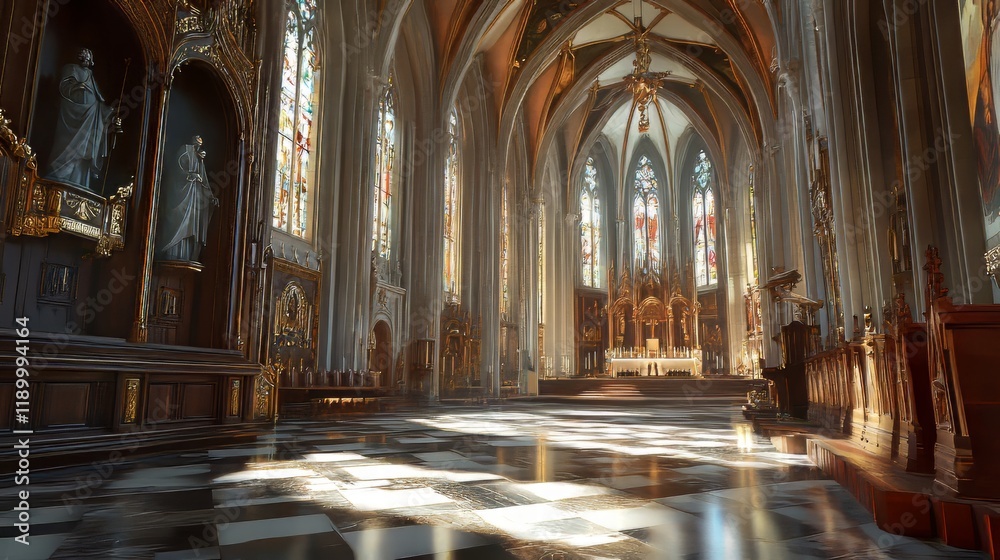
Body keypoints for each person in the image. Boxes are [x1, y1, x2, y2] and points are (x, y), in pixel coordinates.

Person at [47, 48, 116, 190]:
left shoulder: (90, 74)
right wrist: (79, 87)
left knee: (84, 155)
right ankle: (59, 180)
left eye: (88, 57)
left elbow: (98, 102)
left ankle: (80, 186)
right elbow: (64, 88)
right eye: (84, 56)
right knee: (68, 149)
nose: (86, 59)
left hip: (90, 119)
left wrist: (109, 114)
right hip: (72, 117)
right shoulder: (70, 68)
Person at [156, 136, 218, 262]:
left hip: (194, 201)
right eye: (197, 145)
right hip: (182, 198)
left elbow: (204, 183)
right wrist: (189, 175)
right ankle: (172, 254)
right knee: (179, 223)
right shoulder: (184, 150)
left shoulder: (199, 160)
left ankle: (188, 256)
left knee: (191, 228)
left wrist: (211, 198)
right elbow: (174, 172)